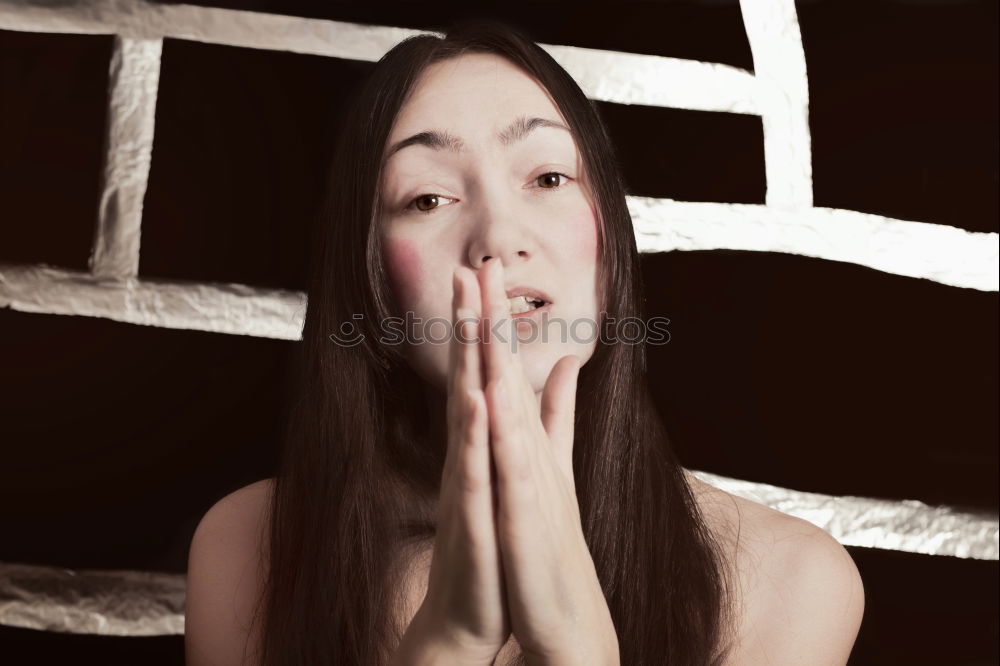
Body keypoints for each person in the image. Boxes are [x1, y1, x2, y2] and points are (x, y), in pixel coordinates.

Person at [185, 19, 865, 666]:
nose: (497, 238)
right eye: (426, 198)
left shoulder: (789, 579)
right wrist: (450, 638)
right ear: (370, 281)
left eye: (547, 178)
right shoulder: (248, 547)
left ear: (610, 243)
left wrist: (577, 649)